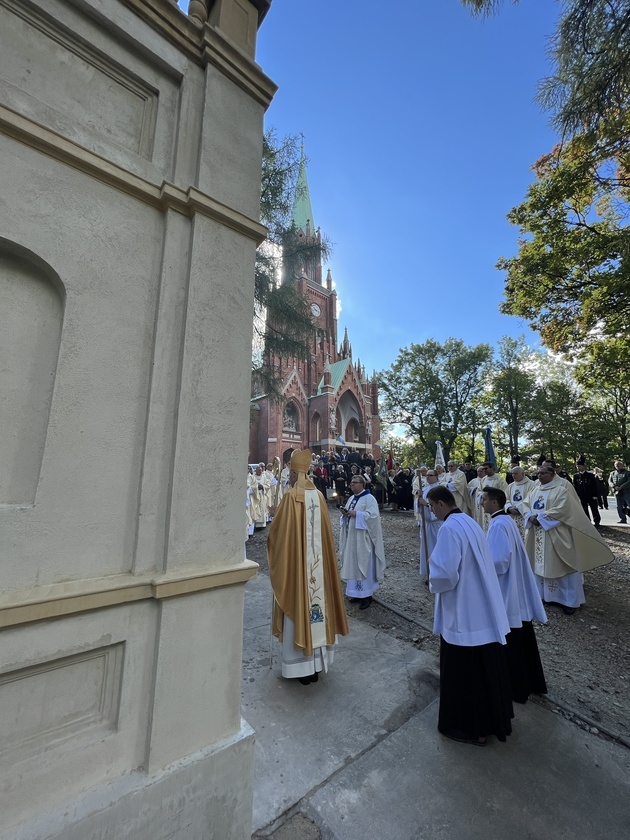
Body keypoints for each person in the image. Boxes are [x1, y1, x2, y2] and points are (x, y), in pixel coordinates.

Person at [426, 485, 512, 747]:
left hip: (463, 611)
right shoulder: (470, 522)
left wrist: (433, 578)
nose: (431, 511)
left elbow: (445, 575)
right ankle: (491, 721)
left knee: (464, 673)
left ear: (441, 504)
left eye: (431, 506)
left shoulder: (449, 529)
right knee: (483, 668)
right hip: (481, 607)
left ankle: (469, 728)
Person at [267, 449, 349, 684]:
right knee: (317, 608)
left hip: (297, 569)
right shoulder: (320, 496)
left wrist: (274, 520)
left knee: (300, 604)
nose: (291, 477)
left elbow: (279, 537)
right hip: (318, 569)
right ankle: (315, 666)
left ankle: (300, 668)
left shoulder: (291, 496)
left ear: (294, 473)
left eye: (291, 473)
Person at [483, 487, 548, 704]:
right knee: (521, 636)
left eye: (484, 499)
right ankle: (530, 681)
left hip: (505, 588)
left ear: (494, 503)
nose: (481, 502)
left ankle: (515, 686)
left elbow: (499, 561)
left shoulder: (499, 525)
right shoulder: (505, 521)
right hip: (513, 585)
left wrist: (478, 563)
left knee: (510, 637)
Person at [523, 465, 614, 614]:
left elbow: (564, 509)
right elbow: (526, 505)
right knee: (538, 563)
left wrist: (540, 518)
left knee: (564, 563)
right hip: (537, 534)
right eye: (538, 473)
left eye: (544, 473)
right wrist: (529, 516)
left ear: (552, 474)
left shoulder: (561, 490)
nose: (540, 476)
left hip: (556, 534)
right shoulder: (534, 490)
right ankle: (544, 596)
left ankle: (568, 601)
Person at [339, 474, 387, 610]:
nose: (351, 485)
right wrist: (345, 514)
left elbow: (373, 517)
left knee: (364, 564)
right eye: (351, 482)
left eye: (354, 482)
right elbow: (349, 513)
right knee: (353, 564)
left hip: (363, 539)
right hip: (352, 538)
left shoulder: (369, 498)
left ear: (362, 484)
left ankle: (367, 595)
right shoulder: (351, 498)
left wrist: (358, 515)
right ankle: (356, 593)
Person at [417, 469, 441, 579]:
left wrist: (426, 504)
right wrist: (418, 499)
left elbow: (440, 506)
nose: (428, 477)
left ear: (436, 476)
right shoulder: (425, 489)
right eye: (426, 475)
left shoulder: (440, 489)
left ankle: (437, 573)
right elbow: (418, 505)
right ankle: (428, 573)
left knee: (436, 548)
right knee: (427, 549)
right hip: (427, 525)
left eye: (430, 475)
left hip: (437, 524)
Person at [505, 465, 534, 540]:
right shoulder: (510, 486)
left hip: (525, 516)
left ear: (523, 474)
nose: (513, 475)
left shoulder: (532, 484)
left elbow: (531, 499)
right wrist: (509, 508)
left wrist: (518, 508)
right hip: (513, 516)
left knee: (525, 539)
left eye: (516, 473)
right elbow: (506, 499)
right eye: (512, 474)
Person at [572, 457, 601, 527]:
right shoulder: (576, 476)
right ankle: (587, 521)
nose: (578, 468)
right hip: (582, 495)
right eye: (577, 466)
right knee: (584, 509)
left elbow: (594, 485)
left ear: (583, 466)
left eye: (579, 466)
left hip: (591, 495)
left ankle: (597, 521)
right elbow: (575, 486)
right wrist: (576, 495)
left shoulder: (590, 475)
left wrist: (595, 495)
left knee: (594, 509)